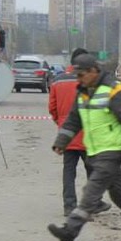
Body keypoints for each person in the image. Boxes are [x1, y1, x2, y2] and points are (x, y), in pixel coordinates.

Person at [47, 54, 121, 241]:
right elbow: (73, 119)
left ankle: (70, 231)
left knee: (92, 189)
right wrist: (61, 141)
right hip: (96, 149)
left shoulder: (113, 90)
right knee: (120, 195)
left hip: (113, 149)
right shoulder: (83, 92)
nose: (78, 79)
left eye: (81, 75)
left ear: (93, 71)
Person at [48, 47, 111, 216]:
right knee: (93, 171)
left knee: (69, 172)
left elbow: (52, 108)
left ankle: (69, 206)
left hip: (67, 136)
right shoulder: (92, 81)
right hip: (89, 135)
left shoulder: (58, 81)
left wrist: (61, 124)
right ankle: (93, 203)